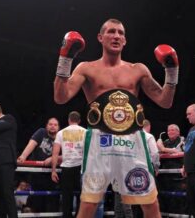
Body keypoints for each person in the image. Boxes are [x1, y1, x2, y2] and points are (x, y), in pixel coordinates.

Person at [54, 18, 179, 218]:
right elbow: (61, 97)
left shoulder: (138, 69)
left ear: (125, 40)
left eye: (120, 33)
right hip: (99, 140)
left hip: (131, 141)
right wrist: (65, 59)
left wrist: (172, 71)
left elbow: (165, 101)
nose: (116, 36)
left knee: (150, 203)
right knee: (88, 204)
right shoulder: (86, 68)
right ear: (100, 37)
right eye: (111, 32)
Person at [17, 117, 60, 213]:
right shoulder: (41, 132)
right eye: (50, 124)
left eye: (55, 125)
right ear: (46, 126)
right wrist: (23, 156)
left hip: (51, 175)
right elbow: (31, 144)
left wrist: (52, 158)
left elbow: (65, 155)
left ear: (58, 128)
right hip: (36, 174)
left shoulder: (61, 137)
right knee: (36, 203)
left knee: (50, 203)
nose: (53, 126)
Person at [51, 111, 87, 218]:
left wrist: (53, 170)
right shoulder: (86, 132)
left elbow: (55, 153)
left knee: (67, 198)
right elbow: (91, 152)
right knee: (83, 197)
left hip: (67, 168)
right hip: (82, 168)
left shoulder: (61, 133)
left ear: (69, 120)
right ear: (79, 121)